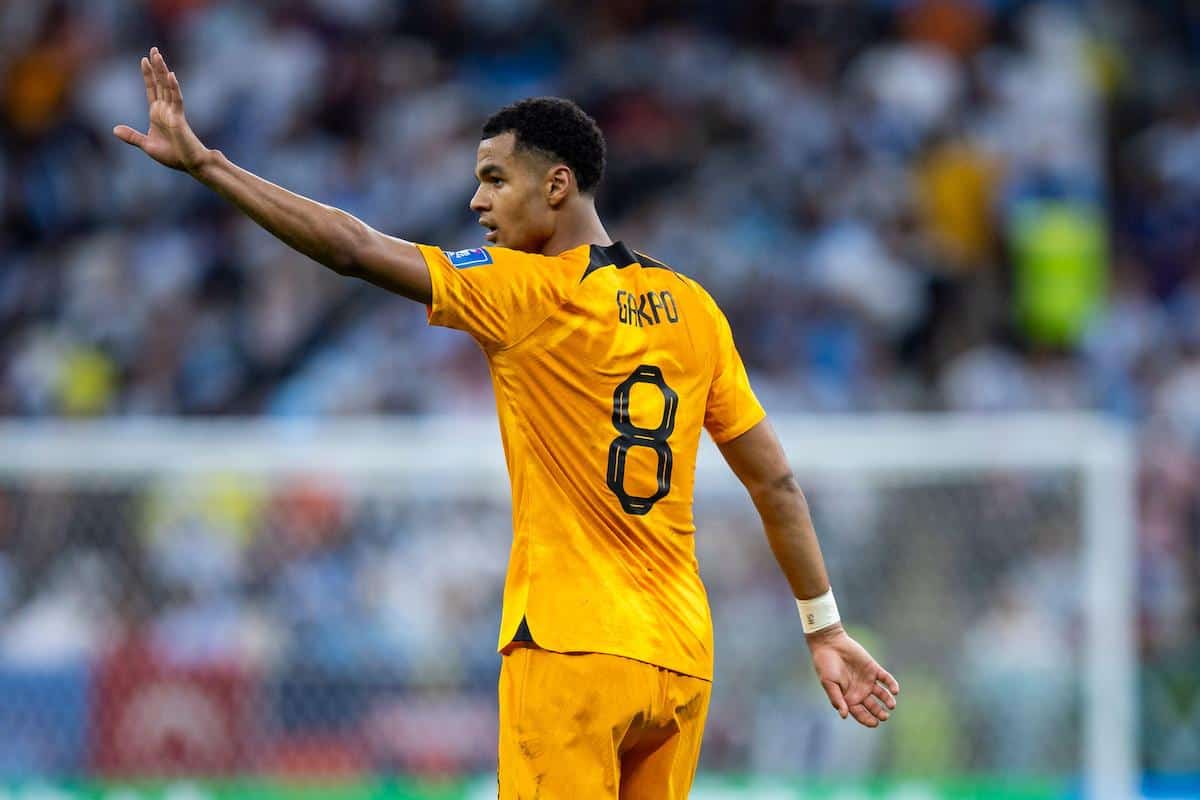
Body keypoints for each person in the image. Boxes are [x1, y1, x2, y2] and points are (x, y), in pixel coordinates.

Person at [115, 47, 899, 798]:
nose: (476, 202)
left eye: (494, 179)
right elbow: (776, 478)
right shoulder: (694, 308)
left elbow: (352, 249)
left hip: (570, 645)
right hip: (681, 655)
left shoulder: (523, 291)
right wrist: (823, 629)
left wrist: (208, 166)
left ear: (556, 186)